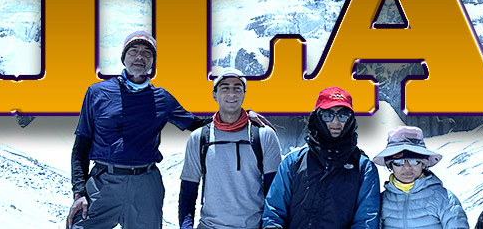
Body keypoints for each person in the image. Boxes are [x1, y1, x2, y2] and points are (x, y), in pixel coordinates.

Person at [67, 32, 268, 229]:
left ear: (152, 62)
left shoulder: (162, 98)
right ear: (123, 58)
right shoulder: (97, 92)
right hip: (103, 183)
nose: (139, 56)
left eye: (147, 53)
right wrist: (79, 192)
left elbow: (196, 124)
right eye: (133, 51)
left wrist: (241, 114)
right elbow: (81, 145)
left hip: (145, 183)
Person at [178, 68, 282, 229]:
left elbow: (274, 192)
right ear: (214, 94)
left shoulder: (264, 136)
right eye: (225, 87)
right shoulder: (199, 138)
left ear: (244, 93)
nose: (231, 93)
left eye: (237, 88)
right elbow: (188, 191)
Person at [262, 87, 380, 229]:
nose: (335, 122)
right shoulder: (294, 162)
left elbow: (366, 221)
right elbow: (274, 213)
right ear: (317, 117)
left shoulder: (363, 168)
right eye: (327, 115)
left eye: (343, 116)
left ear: (350, 120)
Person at [373, 126, 468, 229]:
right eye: (399, 162)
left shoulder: (444, 198)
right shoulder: (381, 200)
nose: (407, 167)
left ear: (423, 164)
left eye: (414, 161)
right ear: (390, 166)